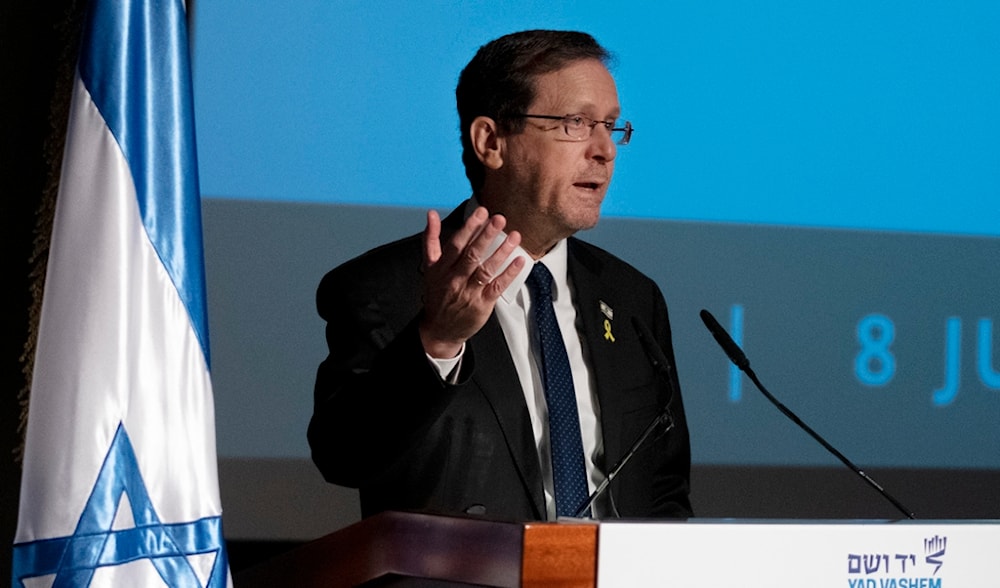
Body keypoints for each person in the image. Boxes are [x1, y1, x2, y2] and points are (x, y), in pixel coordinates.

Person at [308, 29, 692, 522]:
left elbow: (664, 491)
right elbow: (344, 456)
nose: (604, 150)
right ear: (491, 142)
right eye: (576, 123)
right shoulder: (385, 288)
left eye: (611, 126)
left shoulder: (633, 298)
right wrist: (438, 339)